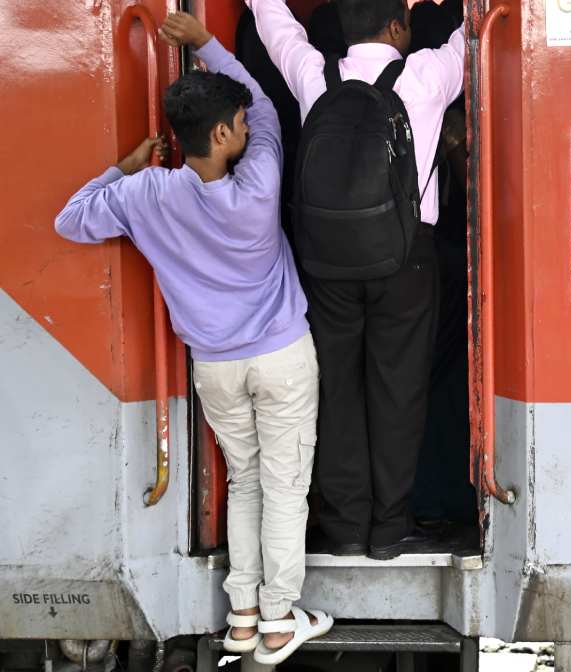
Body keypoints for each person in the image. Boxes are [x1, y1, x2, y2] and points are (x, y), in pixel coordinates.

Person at [53, 12, 330, 665]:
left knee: (246, 479)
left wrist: (120, 170)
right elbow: (263, 103)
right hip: (282, 356)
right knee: (285, 485)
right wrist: (205, 44)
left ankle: (241, 618)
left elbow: (71, 220)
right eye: (236, 123)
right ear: (226, 133)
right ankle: (281, 619)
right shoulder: (259, 179)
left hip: (215, 366)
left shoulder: (148, 194)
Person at [246, 0, 466, 560]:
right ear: (397, 26)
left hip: (325, 262)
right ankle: (390, 528)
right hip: (405, 259)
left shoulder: (313, 75)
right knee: (399, 387)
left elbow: (275, 24)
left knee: (337, 387)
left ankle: (344, 526)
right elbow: (480, 35)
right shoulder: (424, 76)